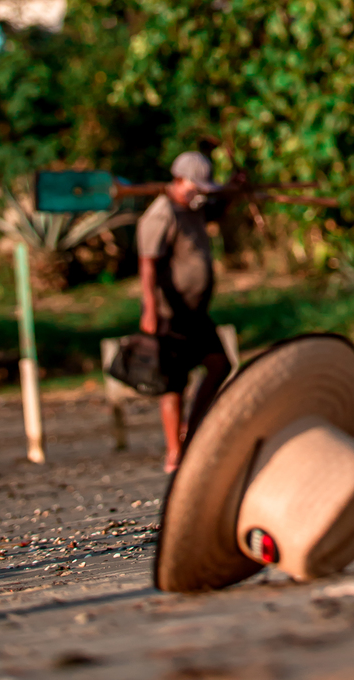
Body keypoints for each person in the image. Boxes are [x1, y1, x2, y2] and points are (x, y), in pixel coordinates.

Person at [137, 151, 232, 473]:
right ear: (179, 180)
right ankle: (175, 452)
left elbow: (218, 209)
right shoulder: (161, 214)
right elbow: (147, 263)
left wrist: (234, 188)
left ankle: (191, 429)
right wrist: (150, 309)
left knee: (220, 364)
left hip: (195, 311)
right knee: (173, 382)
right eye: (196, 185)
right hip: (169, 312)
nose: (200, 192)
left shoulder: (193, 209)